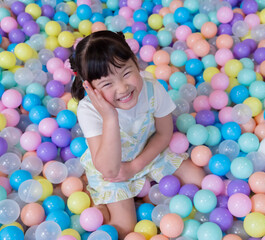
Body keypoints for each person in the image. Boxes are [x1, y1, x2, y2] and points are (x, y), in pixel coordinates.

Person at [70, 30, 205, 238]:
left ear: (136, 62)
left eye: (126, 73)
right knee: (125, 229)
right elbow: (109, 168)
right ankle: (97, 197)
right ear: (90, 88)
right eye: (107, 84)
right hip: (111, 170)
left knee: (198, 180)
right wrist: (110, 118)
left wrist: (135, 166)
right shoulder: (89, 110)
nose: (122, 88)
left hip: (149, 152)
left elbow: (163, 133)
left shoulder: (152, 89)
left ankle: (135, 193)